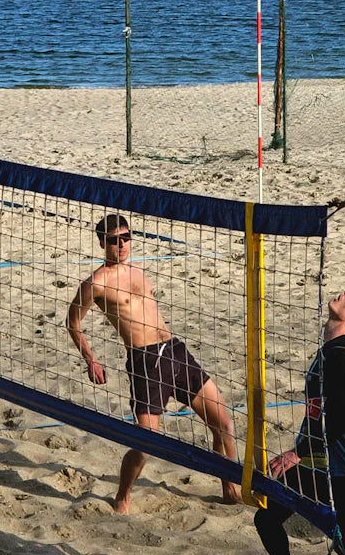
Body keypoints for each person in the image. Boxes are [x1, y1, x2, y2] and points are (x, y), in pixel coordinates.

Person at [67, 214, 241, 513]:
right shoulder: (96, 283)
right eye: (113, 240)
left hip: (174, 350)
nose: (121, 245)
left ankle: (231, 488)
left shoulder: (140, 269)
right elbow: (72, 323)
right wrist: (91, 360)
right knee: (147, 442)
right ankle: (123, 497)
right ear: (101, 243)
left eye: (126, 237)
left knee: (223, 422)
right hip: (145, 361)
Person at [248, 289, 345, 555]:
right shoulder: (335, 348)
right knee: (267, 517)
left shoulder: (344, 354)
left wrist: (298, 453)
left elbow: (344, 416)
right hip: (321, 464)